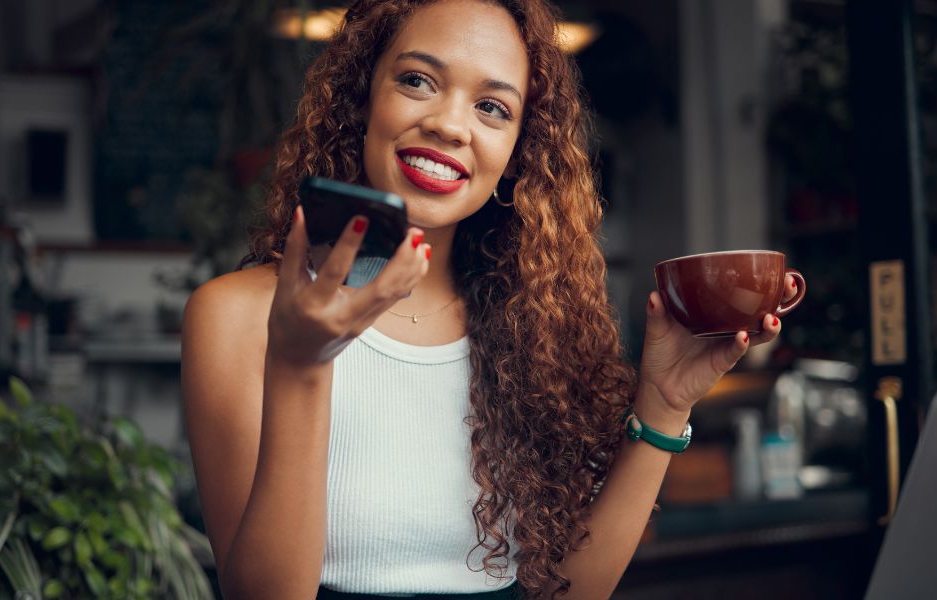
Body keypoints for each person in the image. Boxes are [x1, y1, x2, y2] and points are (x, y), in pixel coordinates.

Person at [181, 0, 800, 598]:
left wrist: (664, 406)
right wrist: (302, 364)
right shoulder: (236, 317)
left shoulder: (530, 333)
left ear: (516, 155)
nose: (450, 125)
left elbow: (566, 595)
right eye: (418, 80)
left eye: (492, 107)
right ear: (363, 97)